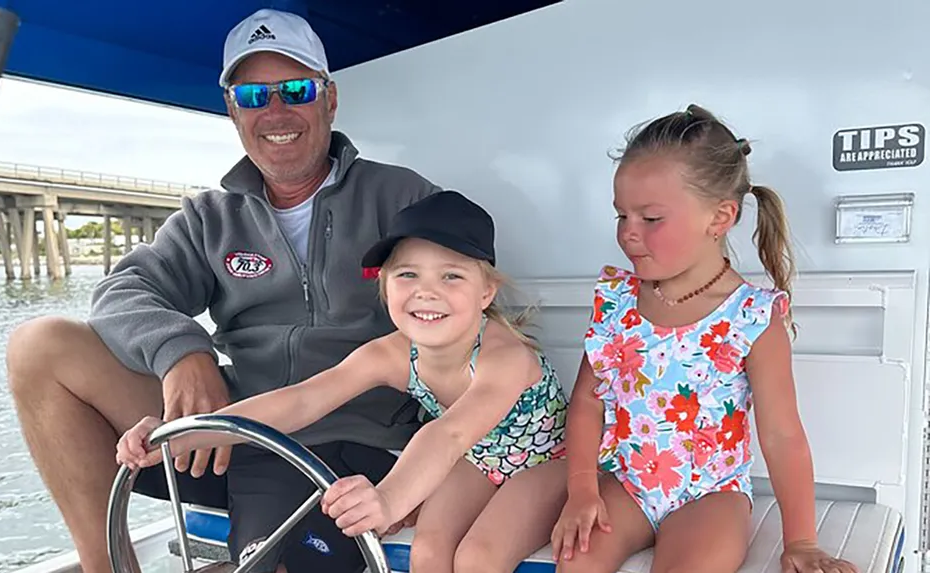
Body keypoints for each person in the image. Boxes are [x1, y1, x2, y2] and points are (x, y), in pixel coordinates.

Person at [5, 8, 442, 573]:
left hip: (364, 442)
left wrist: (432, 467)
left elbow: (465, 328)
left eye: (295, 89)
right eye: (254, 96)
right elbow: (124, 290)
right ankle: (107, 566)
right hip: (240, 428)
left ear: (329, 100)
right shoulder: (207, 217)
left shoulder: (405, 198)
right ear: (232, 109)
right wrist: (183, 354)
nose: (276, 110)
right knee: (40, 346)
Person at [118, 191, 572, 573]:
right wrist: (176, 435)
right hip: (477, 461)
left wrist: (390, 499)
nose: (426, 291)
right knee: (428, 552)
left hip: (548, 463)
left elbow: (450, 432)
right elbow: (301, 401)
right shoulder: (392, 353)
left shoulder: (505, 356)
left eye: (451, 276)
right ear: (386, 289)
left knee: (478, 558)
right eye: (407, 274)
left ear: (486, 292)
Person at [549, 104, 859, 573]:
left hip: (709, 495)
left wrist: (801, 540)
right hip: (624, 484)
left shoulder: (752, 316)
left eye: (651, 219)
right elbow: (588, 402)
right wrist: (582, 490)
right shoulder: (616, 300)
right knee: (576, 564)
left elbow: (781, 434)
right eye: (621, 216)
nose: (629, 234)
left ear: (720, 218)